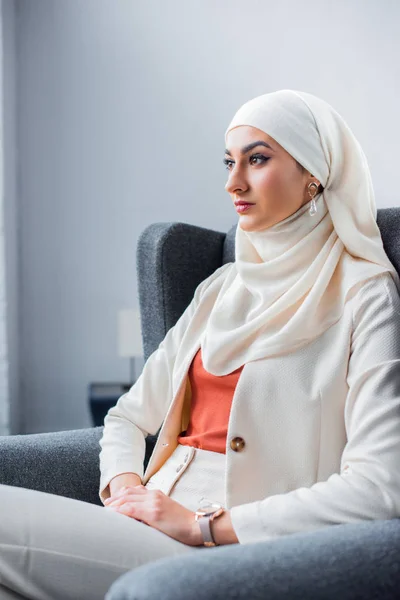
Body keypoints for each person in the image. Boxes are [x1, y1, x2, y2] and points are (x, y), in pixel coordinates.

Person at [1, 89, 400, 600]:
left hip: (233, 549)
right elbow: (126, 417)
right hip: (145, 522)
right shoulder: (222, 287)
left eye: (257, 160)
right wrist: (126, 489)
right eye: (230, 162)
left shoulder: (365, 294)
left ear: (314, 173)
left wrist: (204, 525)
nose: (233, 182)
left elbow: (379, 487)